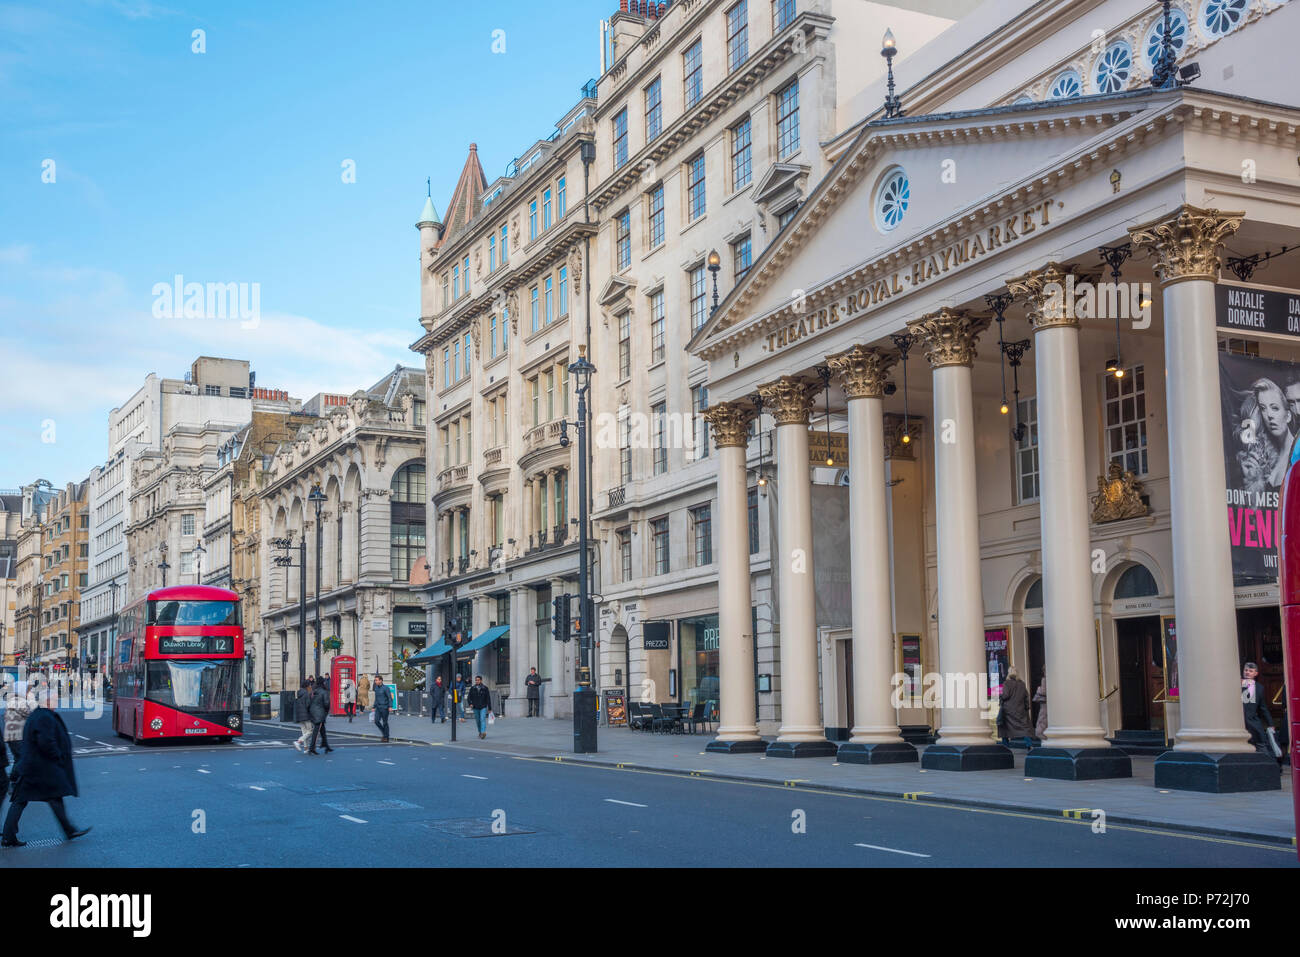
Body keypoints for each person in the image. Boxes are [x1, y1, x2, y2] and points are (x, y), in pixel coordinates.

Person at [2, 690, 91, 847]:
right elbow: (46, 741)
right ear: (48, 701)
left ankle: (9, 836)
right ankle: (68, 830)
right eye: (55, 700)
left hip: (32, 766)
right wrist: (57, 756)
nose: (57, 703)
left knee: (34, 799)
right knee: (33, 799)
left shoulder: (37, 714)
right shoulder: (43, 716)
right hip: (40, 768)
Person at [1242, 662, 1279, 761]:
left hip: (1253, 722)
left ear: (1256, 673)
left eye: (1251, 671)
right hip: (1240, 722)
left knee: (1262, 744)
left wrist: (1270, 723)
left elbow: (1263, 707)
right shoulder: (1236, 685)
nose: (1247, 673)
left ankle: (1271, 766)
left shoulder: (1259, 688)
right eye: (1246, 670)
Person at [998, 667, 1032, 748]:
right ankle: (1029, 744)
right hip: (1020, 710)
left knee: (1004, 727)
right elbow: (1026, 696)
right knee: (1024, 728)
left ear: (1009, 673)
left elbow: (1005, 696)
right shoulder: (1022, 684)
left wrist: (1000, 696)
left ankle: (1005, 746)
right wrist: (1026, 707)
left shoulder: (1007, 683)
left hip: (1008, 710)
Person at [4, 683, 31, 764]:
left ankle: (15, 776)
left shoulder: (12, 700)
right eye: (26, 691)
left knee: (18, 759)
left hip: (10, 736)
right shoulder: (20, 701)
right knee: (22, 760)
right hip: (17, 736)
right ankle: (14, 777)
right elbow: (29, 714)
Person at [308, 677, 333, 755]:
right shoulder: (324, 692)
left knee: (322, 730)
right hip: (320, 713)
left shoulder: (313, 691)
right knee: (316, 731)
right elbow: (326, 704)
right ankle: (312, 748)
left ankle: (326, 745)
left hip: (313, 712)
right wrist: (326, 712)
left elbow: (309, 701)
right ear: (323, 683)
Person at [467, 675, 493, 740]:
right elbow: (469, 698)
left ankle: (483, 732)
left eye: (478, 680)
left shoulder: (485, 688)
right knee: (478, 721)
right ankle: (480, 732)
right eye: (476, 680)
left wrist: (489, 708)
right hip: (475, 707)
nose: (477, 681)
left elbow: (488, 699)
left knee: (482, 719)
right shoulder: (472, 688)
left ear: (481, 680)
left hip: (483, 707)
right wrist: (470, 704)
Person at [292, 679, 313, 753]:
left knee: (304, 733)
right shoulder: (307, 694)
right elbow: (308, 705)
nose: (311, 686)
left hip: (299, 715)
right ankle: (298, 742)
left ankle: (306, 749)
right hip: (306, 715)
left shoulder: (299, 693)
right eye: (310, 685)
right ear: (307, 686)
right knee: (310, 731)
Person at [372, 674, 392, 743]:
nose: (375, 681)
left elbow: (389, 698)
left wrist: (390, 706)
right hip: (378, 707)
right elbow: (376, 698)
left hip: (385, 707)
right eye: (375, 680)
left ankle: (386, 737)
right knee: (376, 721)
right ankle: (385, 734)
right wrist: (374, 706)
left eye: (376, 680)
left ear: (381, 680)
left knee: (385, 722)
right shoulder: (376, 688)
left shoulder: (386, 688)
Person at [1032, 674, 1048, 741]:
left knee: (1042, 721)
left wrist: (1039, 689)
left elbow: (1043, 691)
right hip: (1046, 704)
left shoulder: (1045, 679)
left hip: (1045, 704)